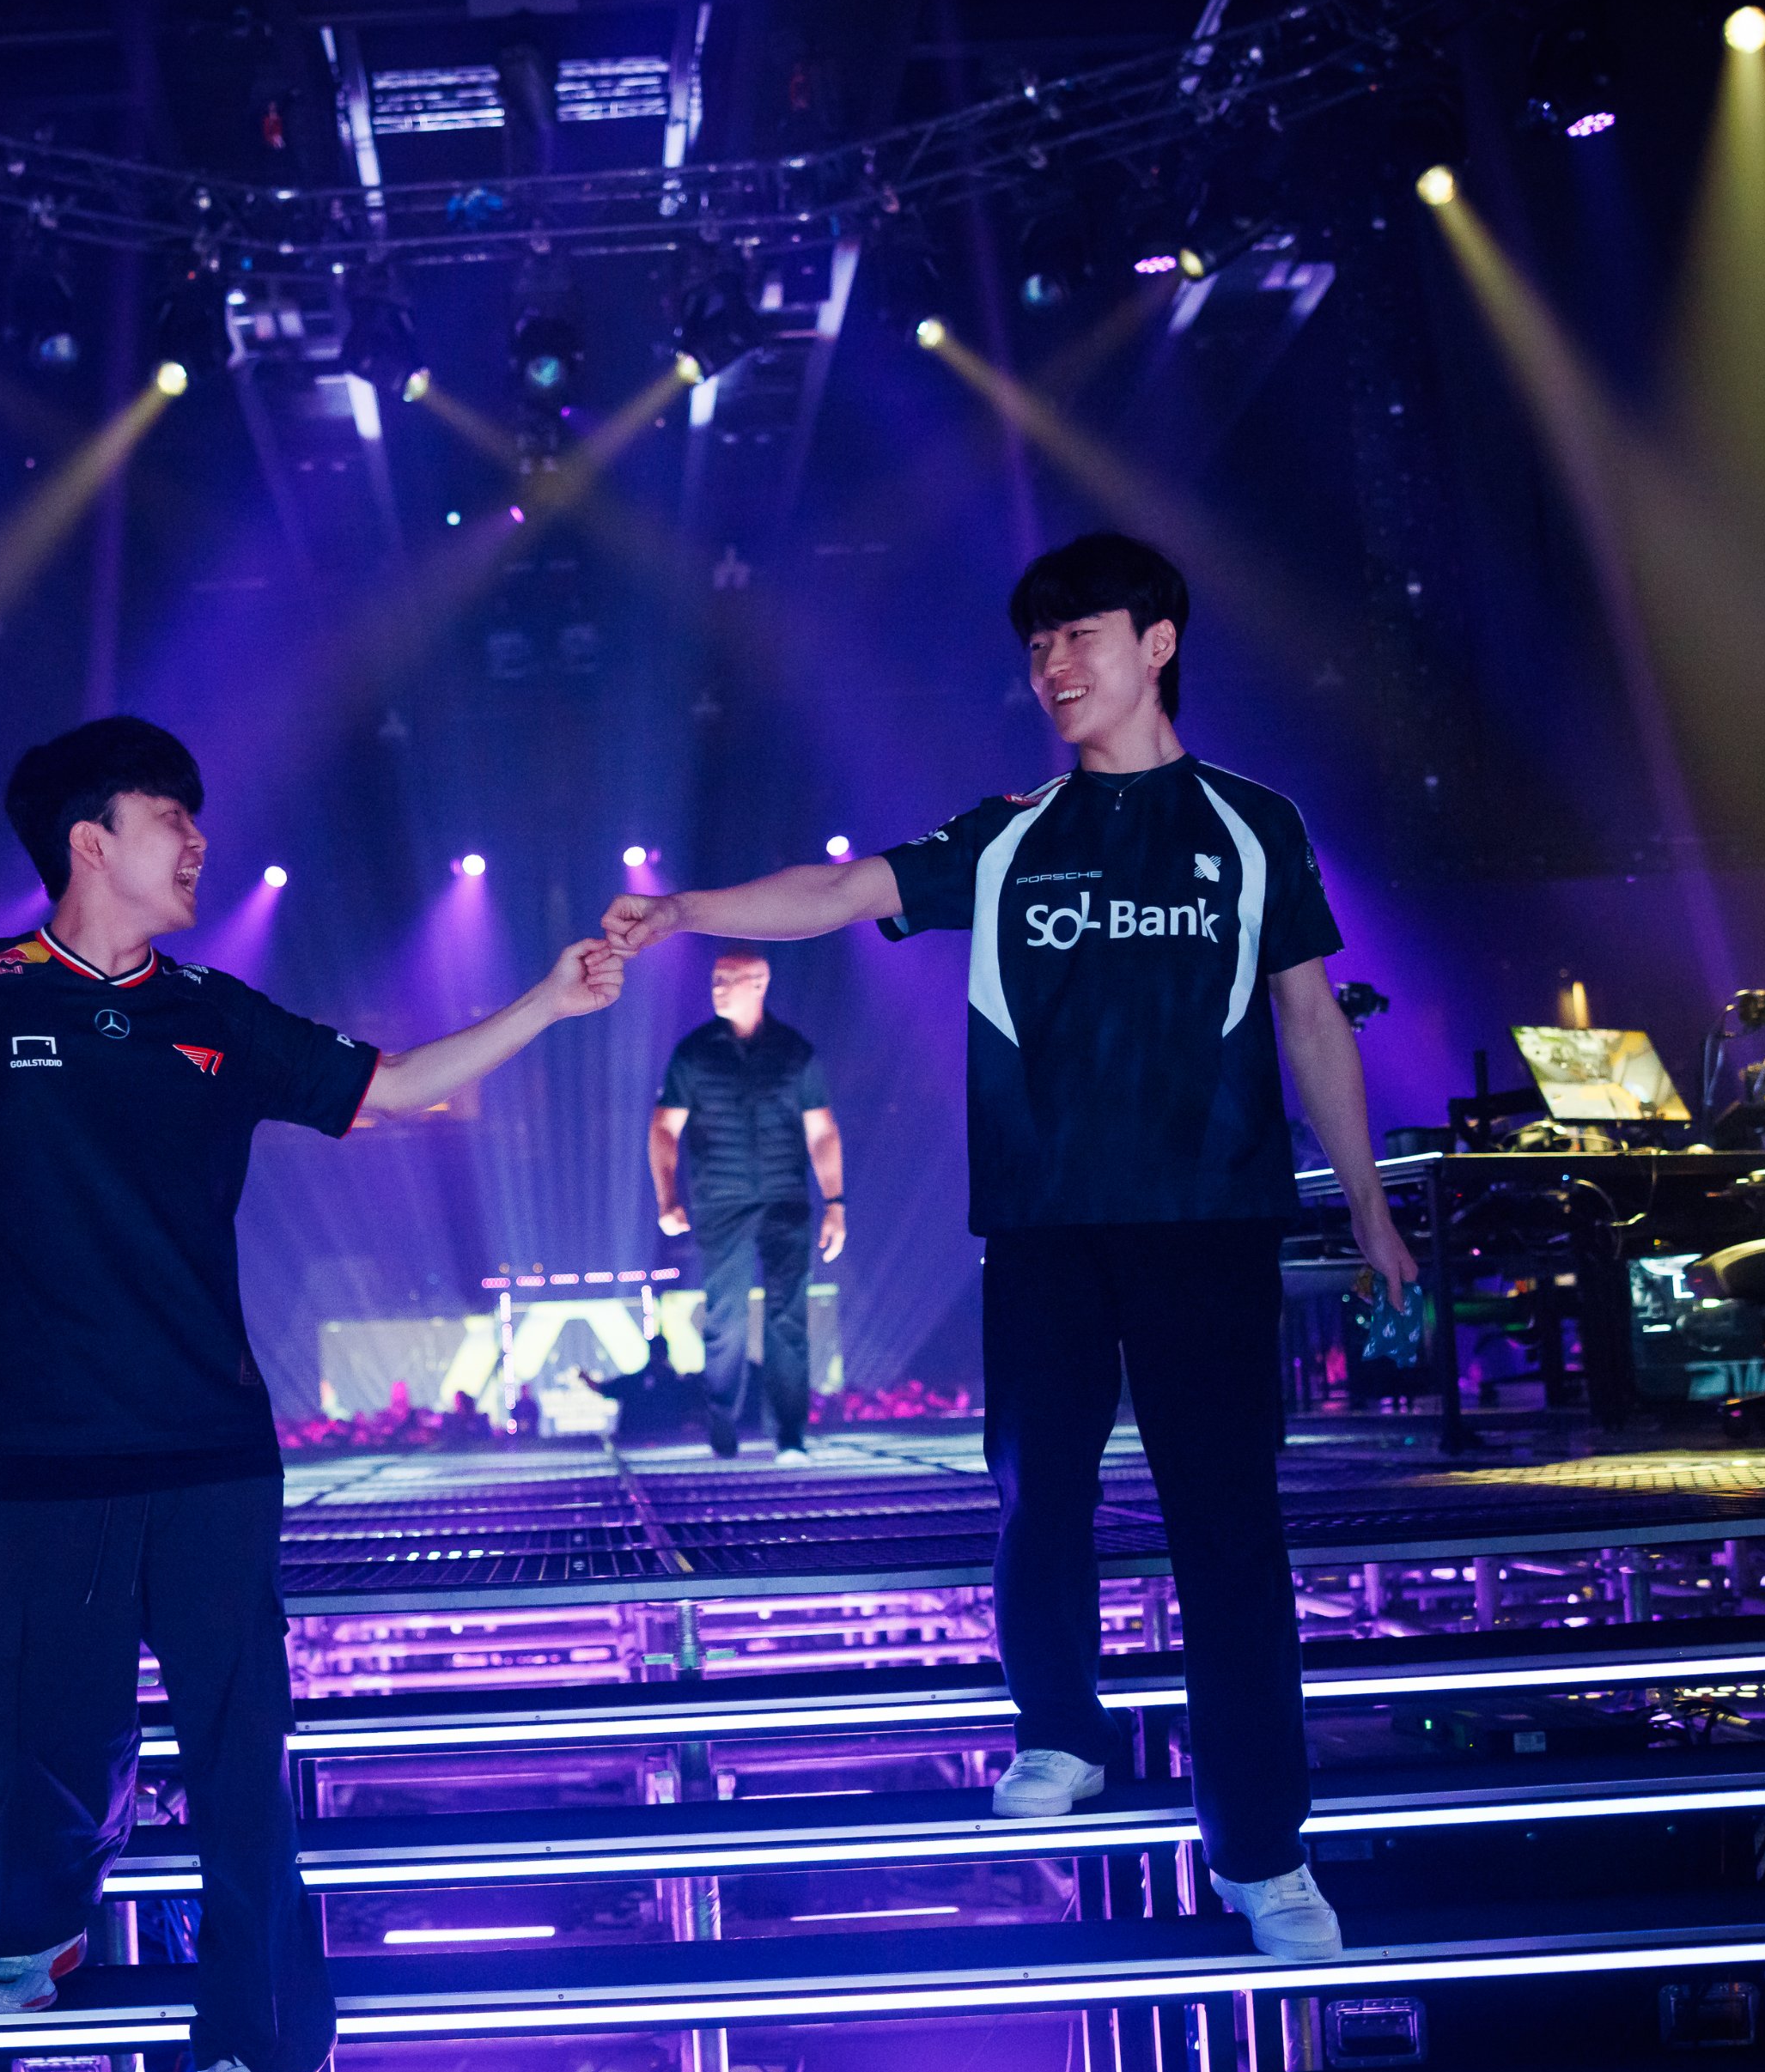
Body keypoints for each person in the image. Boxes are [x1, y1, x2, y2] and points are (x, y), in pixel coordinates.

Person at [603, 532, 1416, 1960]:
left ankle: (1263, 1850)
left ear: (1158, 642)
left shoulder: (1251, 826)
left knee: (1230, 1533)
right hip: (1044, 1225)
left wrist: (1366, 1202)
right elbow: (842, 892)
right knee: (1039, 1493)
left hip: (1211, 1221)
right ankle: (1059, 1729)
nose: (1051, 665)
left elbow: (1308, 1017)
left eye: (1079, 635)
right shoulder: (1011, 834)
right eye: (1035, 645)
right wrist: (683, 911)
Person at [0, 714, 623, 2072]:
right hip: (27, 1456)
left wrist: (547, 1001)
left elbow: (390, 1084)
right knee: (26, 1734)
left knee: (243, 1768)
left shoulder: (212, 1009)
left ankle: (254, 2063)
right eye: (174, 818)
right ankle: (46, 1913)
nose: (200, 842)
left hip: (205, 1446)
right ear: (92, 841)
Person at [652, 948, 845, 1458]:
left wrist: (836, 1203)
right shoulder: (694, 1053)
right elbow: (664, 1128)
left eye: (728, 979)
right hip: (721, 1202)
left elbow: (822, 1130)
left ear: (759, 983)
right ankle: (721, 1417)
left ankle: (790, 1434)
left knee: (789, 1319)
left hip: (786, 1199)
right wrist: (667, 1197)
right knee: (725, 1318)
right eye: (715, 979)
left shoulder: (794, 1051)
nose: (716, 987)